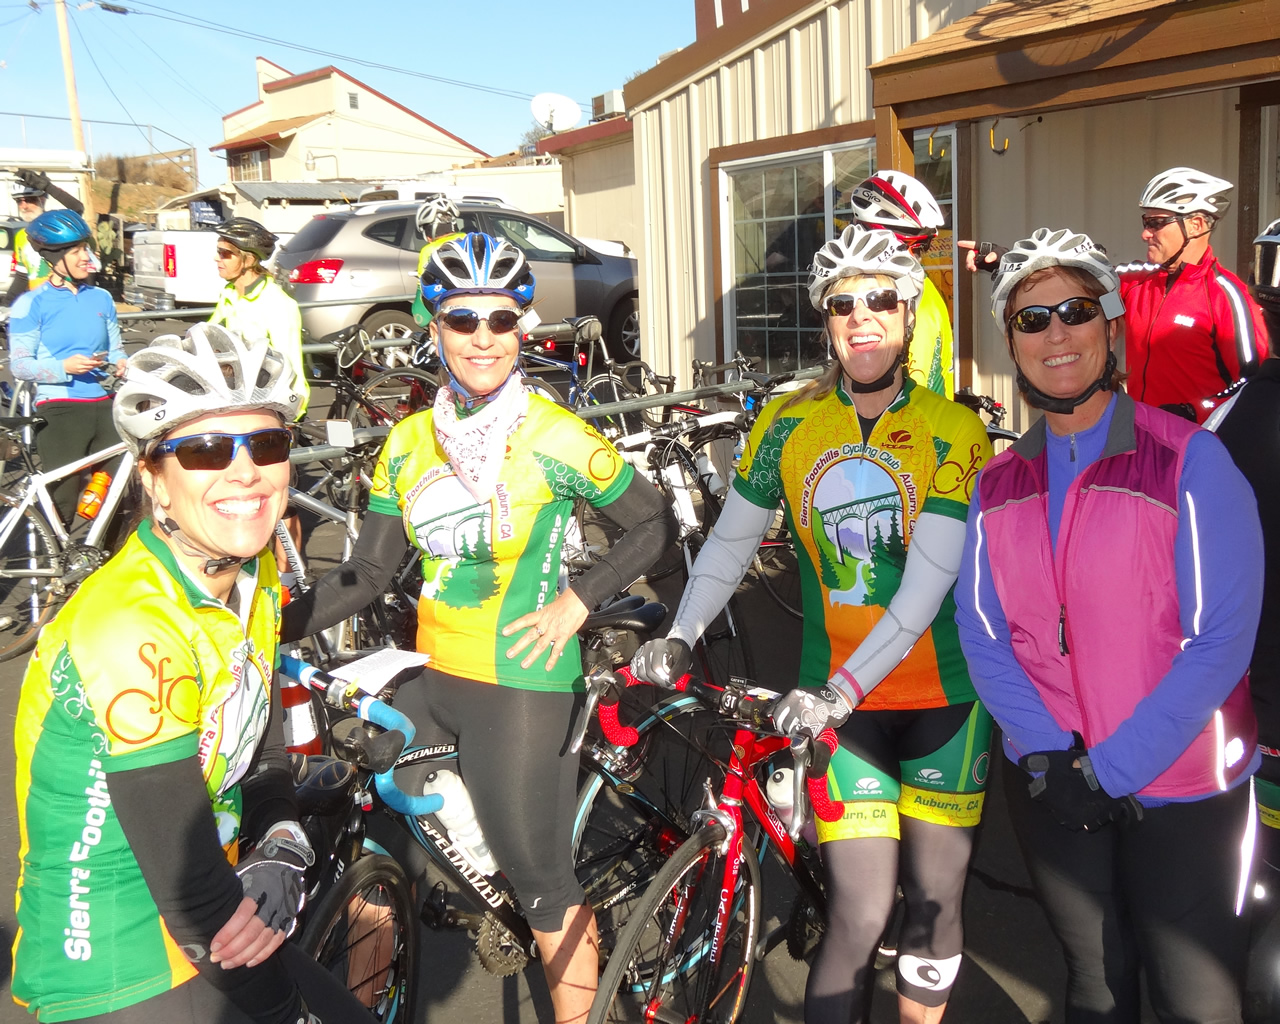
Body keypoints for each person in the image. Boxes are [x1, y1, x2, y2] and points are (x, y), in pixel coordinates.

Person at [281, 231, 676, 1024]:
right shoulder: (407, 442)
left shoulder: (553, 436)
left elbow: (654, 523)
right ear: (435, 327)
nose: (484, 338)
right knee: (378, 842)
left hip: (522, 681)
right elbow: (368, 574)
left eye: (501, 319)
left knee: (541, 885)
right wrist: (266, 625)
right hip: (437, 674)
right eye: (464, 320)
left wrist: (580, 600)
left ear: (522, 327)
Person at [633, 224, 994, 1024]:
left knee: (933, 905)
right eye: (842, 304)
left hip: (942, 701)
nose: (862, 317)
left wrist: (841, 690)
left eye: (881, 300)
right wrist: (680, 633)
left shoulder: (955, 430)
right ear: (826, 321)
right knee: (859, 913)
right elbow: (730, 544)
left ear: (908, 316)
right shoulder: (789, 423)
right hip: (839, 710)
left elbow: (927, 585)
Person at [12, 323, 373, 1024]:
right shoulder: (130, 626)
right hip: (119, 957)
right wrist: (285, 1012)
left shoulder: (252, 570)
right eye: (206, 450)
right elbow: (189, 893)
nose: (245, 473)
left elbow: (260, 740)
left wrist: (280, 835)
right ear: (154, 481)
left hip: (219, 913)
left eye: (266, 445)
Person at [955, 227, 1263, 1023]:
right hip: (1052, 776)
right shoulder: (997, 483)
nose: (1057, 333)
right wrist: (1048, 752)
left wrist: (1111, 768)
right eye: (1032, 320)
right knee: (1094, 985)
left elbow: (1222, 642)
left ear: (1110, 326)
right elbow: (983, 632)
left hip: (1183, 782)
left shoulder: (1189, 461)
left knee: (1197, 1000)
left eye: (1077, 310)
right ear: (1012, 345)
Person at [961, 168, 1271, 423]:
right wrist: (1006, 262)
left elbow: (1252, 384)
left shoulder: (1226, 296)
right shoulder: (1136, 282)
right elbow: (1073, 280)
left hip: (1200, 440)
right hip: (1142, 438)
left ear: (1197, 224)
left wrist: (1195, 411)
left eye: (1156, 223)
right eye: (1145, 222)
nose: (1145, 233)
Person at [7, 209, 126, 523]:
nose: (87, 257)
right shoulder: (30, 304)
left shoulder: (101, 298)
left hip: (107, 405)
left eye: (86, 249)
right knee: (62, 501)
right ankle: (56, 554)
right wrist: (64, 368)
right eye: (76, 252)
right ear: (53, 258)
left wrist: (121, 362)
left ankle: (104, 552)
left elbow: (116, 348)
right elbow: (20, 366)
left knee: (114, 499)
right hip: (61, 409)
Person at [210, 216, 307, 585]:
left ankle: (290, 579)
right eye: (218, 252)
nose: (217, 259)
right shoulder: (229, 294)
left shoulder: (278, 304)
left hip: (272, 413)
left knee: (283, 504)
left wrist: (287, 419)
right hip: (234, 410)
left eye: (225, 253)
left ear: (248, 259)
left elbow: (291, 366)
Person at [847, 171, 954, 397]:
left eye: (920, 248)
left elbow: (909, 395)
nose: (915, 258)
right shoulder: (907, 289)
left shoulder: (910, 301)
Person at [6, 169, 87, 305]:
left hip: (66, 301)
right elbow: (22, 277)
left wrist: (48, 187)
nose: (24, 206)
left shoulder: (58, 226)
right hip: (38, 305)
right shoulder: (21, 236)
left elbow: (77, 208)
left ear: (42, 199)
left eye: (30, 199)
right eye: (19, 201)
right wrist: (6, 304)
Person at [410, 193, 466, 328]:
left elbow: (421, 316)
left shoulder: (429, 251)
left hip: (451, 320)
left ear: (429, 230)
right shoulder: (469, 240)